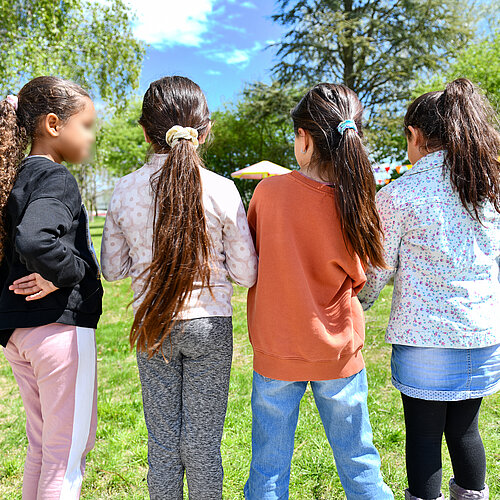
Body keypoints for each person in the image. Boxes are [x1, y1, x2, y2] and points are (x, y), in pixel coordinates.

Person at [100, 75, 258, 500]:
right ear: (205, 131)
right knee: (203, 443)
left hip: (153, 325)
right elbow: (246, 274)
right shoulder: (223, 191)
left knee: (163, 443)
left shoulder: (124, 190)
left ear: (144, 131)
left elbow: (112, 269)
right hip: (209, 324)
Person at [244, 83, 394, 500]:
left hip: (276, 348)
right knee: (360, 461)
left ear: (305, 139)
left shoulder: (267, 193)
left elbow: (252, 260)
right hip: (339, 350)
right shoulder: (358, 201)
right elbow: (362, 277)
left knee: (268, 469)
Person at [358, 78, 500, 500]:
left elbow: (375, 273)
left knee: (423, 438)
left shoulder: (399, 194)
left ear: (414, 136)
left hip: (426, 344)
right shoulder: (488, 190)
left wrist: (355, 304)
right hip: (483, 337)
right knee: (466, 431)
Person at [0, 76, 103, 499]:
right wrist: (71, 270)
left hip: (18, 336)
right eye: (88, 124)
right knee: (66, 455)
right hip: (58, 331)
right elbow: (33, 239)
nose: (92, 136)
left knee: (43, 449)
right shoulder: (56, 179)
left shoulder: (13, 178)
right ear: (54, 124)